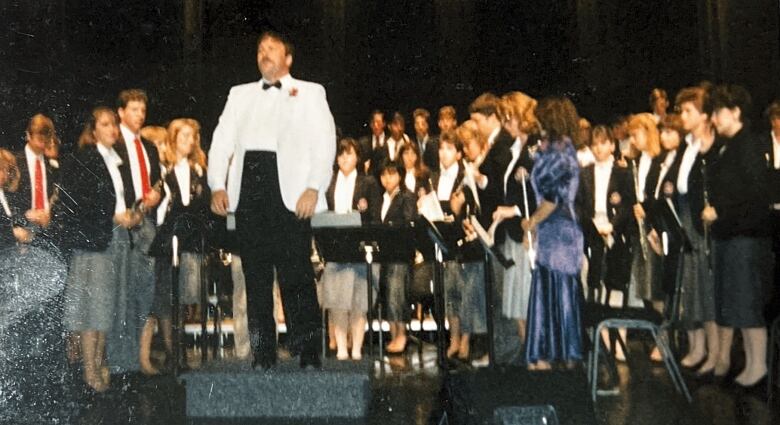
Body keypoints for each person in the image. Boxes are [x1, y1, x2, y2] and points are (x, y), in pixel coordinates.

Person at [208, 31, 336, 370]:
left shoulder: (310, 92)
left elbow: (325, 144)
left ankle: (307, 351)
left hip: (292, 195)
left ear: (288, 58)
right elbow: (221, 142)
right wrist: (216, 184)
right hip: (249, 190)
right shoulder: (239, 94)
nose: (264, 53)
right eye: (260, 48)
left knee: (296, 275)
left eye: (272, 48)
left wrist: (313, 187)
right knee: (256, 278)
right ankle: (262, 353)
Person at [61, 106, 140, 392]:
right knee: (91, 310)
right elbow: (83, 204)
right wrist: (113, 217)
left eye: (114, 125)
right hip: (95, 242)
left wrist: (131, 215)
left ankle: (98, 362)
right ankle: (89, 370)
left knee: (105, 308)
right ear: (93, 131)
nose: (112, 130)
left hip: (116, 238)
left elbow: (120, 199)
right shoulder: (87, 159)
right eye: (106, 125)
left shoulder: (116, 161)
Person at [705, 84, 774, 387]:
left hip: (745, 237)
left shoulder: (748, 145)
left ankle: (758, 366)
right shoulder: (728, 145)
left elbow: (754, 194)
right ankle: (750, 364)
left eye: (719, 112)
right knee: (738, 304)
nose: (714, 118)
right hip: (731, 237)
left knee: (748, 305)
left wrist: (720, 211)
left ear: (735, 112)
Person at [146, 118, 211, 374]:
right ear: (173, 140)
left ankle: (181, 349)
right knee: (165, 298)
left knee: (185, 296)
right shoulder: (164, 169)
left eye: (192, 137)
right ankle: (174, 352)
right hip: (166, 239)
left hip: (189, 240)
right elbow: (158, 202)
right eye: (183, 137)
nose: (189, 142)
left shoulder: (199, 170)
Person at [523, 97, 584, 370]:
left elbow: (553, 199)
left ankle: (558, 358)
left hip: (560, 233)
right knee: (552, 292)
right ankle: (550, 356)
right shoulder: (556, 151)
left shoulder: (560, 155)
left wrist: (531, 222)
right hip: (554, 232)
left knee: (557, 292)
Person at [662, 87, 719, 374]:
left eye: (688, 111)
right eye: (681, 110)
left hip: (700, 222)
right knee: (691, 289)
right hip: (683, 220)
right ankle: (697, 348)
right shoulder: (686, 146)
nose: (682, 116)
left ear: (705, 115)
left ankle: (715, 353)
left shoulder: (710, 145)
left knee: (707, 291)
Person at [321, 138, 381, 360]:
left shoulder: (369, 183)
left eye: (349, 154)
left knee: (359, 302)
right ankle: (341, 349)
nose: (345, 158)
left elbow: (374, 217)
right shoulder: (329, 182)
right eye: (341, 154)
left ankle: (356, 348)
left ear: (358, 157)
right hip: (336, 250)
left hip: (359, 250)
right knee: (337, 302)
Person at [489, 91, 540, 353]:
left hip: (528, 230)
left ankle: (536, 358)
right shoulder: (515, 148)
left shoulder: (535, 147)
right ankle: (529, 356)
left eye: (510, 118)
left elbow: (542, 193)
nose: (507, 124)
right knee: (518, 300)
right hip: (514, 231)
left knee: (526, 298)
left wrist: (514, 210)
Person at [375, 159, 417, 354]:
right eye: (383, 175)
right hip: (386, 253)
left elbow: (409, 223)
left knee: (397, 295)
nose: (387, 179)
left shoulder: (406, 196)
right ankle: (394, 335)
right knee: (388, 295)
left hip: (400, 254)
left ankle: (402, 335)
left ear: (400, 175)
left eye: (391, 174)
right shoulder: (384, 197)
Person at [11, 114, 59, 250]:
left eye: (46, 138)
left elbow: (57, 198)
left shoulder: (53, 165)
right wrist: (25, 216)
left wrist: (49, 215)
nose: (43, 142)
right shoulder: (14, 162)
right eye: (39, 137)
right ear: (28, 135)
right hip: (20, 231)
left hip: (45, 232)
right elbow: (8, 198)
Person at [0, 149, 22, 248]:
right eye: (1, 169)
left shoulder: (9, 195)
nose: (5, 175)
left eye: (7, 170)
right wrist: (14, 234)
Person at [359, 110, 386, 175]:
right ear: (370, 124)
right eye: (373, 123)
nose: (376, 126)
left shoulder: (390, 141)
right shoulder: (362, 142)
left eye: (379, 122)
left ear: (384, 124)